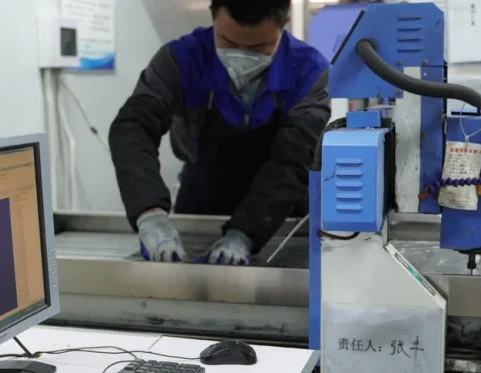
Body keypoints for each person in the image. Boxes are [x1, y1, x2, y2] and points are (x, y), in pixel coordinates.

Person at [109, 0, 331, 265]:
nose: (242, 54)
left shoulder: (308, 71)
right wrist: (149, 214)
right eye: (228, 42)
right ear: (213, 15)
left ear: (284, 23)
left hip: (279, 214)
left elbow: (294, 160)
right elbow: (133, 127)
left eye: (259, 47)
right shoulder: (180, 60)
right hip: (201, 202)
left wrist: (245, 235)